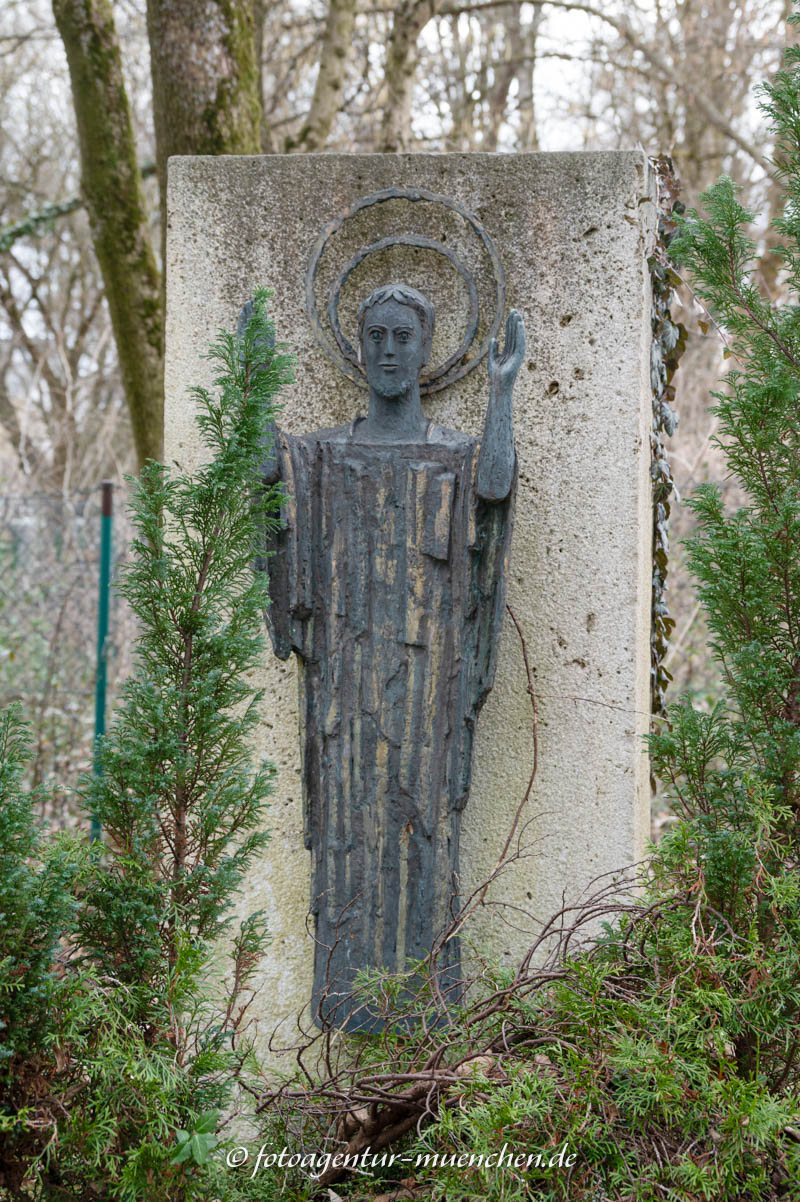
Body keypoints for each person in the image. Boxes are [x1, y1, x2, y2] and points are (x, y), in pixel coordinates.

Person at [258, 283, 524, 1030]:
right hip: (345, 680)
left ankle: (426, 998)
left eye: (403, 337)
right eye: (374, 336)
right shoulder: (322, 452)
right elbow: (264, 473)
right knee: (348, 829)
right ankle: (348, 995)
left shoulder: (453, 452)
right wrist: (247, 375)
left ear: (426, 347)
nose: (387, 352)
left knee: (426, 830)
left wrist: (500, 395)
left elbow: (495, 487)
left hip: (428, 678)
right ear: (358, 346)